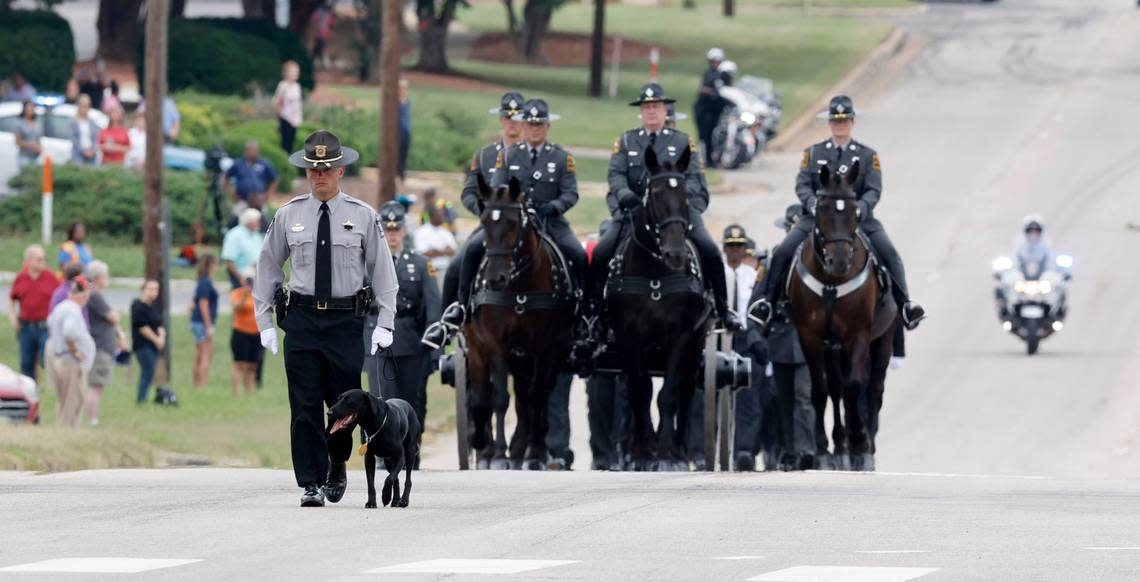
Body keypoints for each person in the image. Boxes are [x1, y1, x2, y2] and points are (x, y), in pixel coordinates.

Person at [254, 129, 399, 507]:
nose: (320, 176)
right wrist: (265, 321)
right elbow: (268, 268)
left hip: (344, 322)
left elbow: (382, 272)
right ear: (307, 172)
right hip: (301, 319)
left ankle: (337, 462)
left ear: (341, 170)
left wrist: (386, 321)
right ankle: (311, 481)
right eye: (313, 170)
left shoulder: (363, 216)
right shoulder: (289, 215)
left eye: (327, 169)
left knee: (342, 405)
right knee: (303, 403)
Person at [751, 95, 925, 332]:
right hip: (817, 218)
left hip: (857, 219)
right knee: (783, 252)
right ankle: (768, 304)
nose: (840, 125)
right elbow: (802, 184)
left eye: (844, 121)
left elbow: (874, 189)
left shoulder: (867, 155)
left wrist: (861, 210)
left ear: (852, 122)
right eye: (835, 121)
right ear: (830, 123)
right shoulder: (813, 153)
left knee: (890, 253)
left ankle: (906, 306)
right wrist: (812, 204)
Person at [595, 82, 741, 334]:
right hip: (634, 213)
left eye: (656, 107)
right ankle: (594, 314)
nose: (651, 112)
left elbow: (696, 179)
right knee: (601, 252)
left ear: (665, 110)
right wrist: (626, 195)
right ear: (641, 112)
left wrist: (683, 205)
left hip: (676, 214)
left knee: (710, 250)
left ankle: (723, 308)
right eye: (646, 107)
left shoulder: (683, 142)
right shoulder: (627, 140)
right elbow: (616, 175)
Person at [423, 91, 527, 349]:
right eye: (507, 117)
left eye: (517, 118)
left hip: (529, 228)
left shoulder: (534, 153)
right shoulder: (484, 156)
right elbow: (469, 192)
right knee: (463, 257)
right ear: (501, 120)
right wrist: (483, 212)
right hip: (492, 228)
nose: (512, 123)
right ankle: (451, 318)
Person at [365, 202, 440, 463]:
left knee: (412, 400)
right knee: (380, 400)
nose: (392, 234)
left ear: (404, 231)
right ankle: (384, 454)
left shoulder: (420, 264)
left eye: (397, 229)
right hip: (377, 339)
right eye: (387, 229)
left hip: (410, 341)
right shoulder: (368, 263)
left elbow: (433, 307)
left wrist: (433, 345)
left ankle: (411, 451)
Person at [747, 204, 815, 471]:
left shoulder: (818, 262)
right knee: (783, 397)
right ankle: (789, 450)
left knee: (803, 396)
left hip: (809, 338)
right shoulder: (775, 260)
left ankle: (807, 449)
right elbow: (757, 298)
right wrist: (758, 333)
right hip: (781, 336)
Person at [46, 276, 95, 428]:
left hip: (62, 358)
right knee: (73, 399)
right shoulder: (73, 309)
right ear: (83, 294)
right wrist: (75, 351)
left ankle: (66, 429)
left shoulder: (62, 307)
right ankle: (67, 431)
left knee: (66, 398)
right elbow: (69, 332)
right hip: (70, 361)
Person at [85, 261, 128, 426]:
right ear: (98, 278)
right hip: (99, 347)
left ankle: (94, 418)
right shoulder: (94, 295)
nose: (107, 279)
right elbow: (113, 317)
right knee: (95, 385)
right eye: (106, 276)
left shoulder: (95, 294)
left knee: (98, 385)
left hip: (103, 346)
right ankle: (92, 419)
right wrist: (116, 315)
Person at [8, 245, 59, 380]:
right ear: (29, 261)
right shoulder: (21, 278)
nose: (43, 262)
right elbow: (11, 298)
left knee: (45, 357)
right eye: (39, 259)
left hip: (45, 326)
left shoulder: (50, 277)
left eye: (44, 259)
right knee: (26, 363)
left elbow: (60, 297)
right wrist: (13, 317)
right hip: (26, 326)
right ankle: (30, 392)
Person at [131, 279, 166, 404]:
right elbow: (143, 327)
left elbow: (159, 324)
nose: (154, 292)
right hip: (143, 345)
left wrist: (162, 337)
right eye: (151, 289)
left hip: (154, 345)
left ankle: (144, 398)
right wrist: (156, 339)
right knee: (148, 371)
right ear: (143, 290)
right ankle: (141, 399)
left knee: (150, 372)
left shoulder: (153, 307)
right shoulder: (138, 306)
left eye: (156, 289)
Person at [224, 141, 279, 220]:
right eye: (252, 151)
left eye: (256, 151)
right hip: (242, 200)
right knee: (236, 218)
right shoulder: (238, 163)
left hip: (259, 201)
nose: (254, 153)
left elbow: (275, 179)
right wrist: (231, 194)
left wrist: (268, 194)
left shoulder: (264, 163)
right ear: (246, 151)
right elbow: (226, 178)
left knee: (263, 221)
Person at [229, 267, 262, 397]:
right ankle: (236, 394)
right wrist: (245, 294)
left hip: (256, 333)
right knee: (240, 364)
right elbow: (236, 307)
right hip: (241, 332)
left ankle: (249, 393)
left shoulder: (259, 294)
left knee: (253, 365)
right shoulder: (237, 293)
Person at [190, 254, 219, 388]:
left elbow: (193, 303)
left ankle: (196, 384)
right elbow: (203, 304)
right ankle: (202, 385)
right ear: (210, 265)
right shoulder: (206, 282)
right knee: (206, 355)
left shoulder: (202, 281)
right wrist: (208, 326)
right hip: (202, 322)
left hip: (196, 322)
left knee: (199, 354)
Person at [694, 48, 725, 167]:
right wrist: (712, 92)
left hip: (715, 110)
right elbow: (703, 89)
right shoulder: (709, 74)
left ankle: (713, 158)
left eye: (717, 61)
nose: (715, 63)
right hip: (705, 111)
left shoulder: (723, 74)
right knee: (705, 136)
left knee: (714, 135)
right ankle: (707, 160)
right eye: (713, 61)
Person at [221, 208, 266, 288]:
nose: (260, 223)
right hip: (242, 276)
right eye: (257, 221)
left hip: (256, 274)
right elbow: (229, 260)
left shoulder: (256, 234)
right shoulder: (234, 235)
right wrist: (240, 278)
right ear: (249, 221)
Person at [412, 204, 457, 275]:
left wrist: (435, 251)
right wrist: (444, 251)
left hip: (444, 270)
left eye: (443, 214)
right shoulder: (421, 231)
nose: (443, 217)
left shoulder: (445, 231)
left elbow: (452, 251)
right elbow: (423, 253)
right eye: (440, 215)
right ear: (432, 216)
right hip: (428, 270)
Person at [273, 61, 304, 154]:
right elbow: (277, 102)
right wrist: (280, 117)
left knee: (291, 143)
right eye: (293, 72)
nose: (295, 74)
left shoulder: (297, 86)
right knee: (285, 144)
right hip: (285, 118)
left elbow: (298, 104)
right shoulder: (283, 85)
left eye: (296, 72)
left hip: (294, 120)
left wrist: (298, 117)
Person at [70, 95, 100, 166]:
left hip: (92, 154)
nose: (84, 108)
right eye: (82, 105)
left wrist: (93, 150)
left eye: (86, 105)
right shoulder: (73, 122)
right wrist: (84, 151)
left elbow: (96, 138)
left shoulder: (92, 122)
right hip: (78, 154)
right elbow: (74, 139)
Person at [15, 101, 42, 166]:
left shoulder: (37, 123)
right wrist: (32, 145)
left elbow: (38, 140)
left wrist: (39, 147)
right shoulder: (20, 123)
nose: (30, 109)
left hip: (35, 157)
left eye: (32, 107)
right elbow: (17, 142)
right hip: (24, 157)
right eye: (28, 107)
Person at [397, 78, 411, 183]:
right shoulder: (395, 103)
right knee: (397, 153)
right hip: (397, 132)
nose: (403, 91)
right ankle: (397, 173)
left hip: (406, 131)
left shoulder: (407, 103)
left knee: (404, 154)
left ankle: (402, 173)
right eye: (401, 88)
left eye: (404, 88)